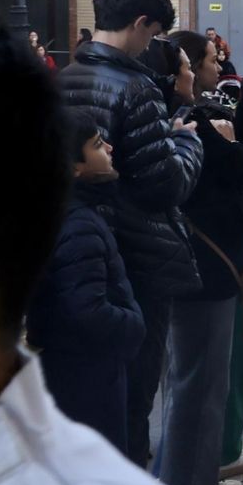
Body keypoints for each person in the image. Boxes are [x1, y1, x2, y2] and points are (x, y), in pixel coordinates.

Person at [0, 27, 243, 485]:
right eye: (192, 63)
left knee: (187, 392)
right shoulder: (171, 130)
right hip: (178, 281)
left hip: (159, 289)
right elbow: (221, 174)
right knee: (185, 390)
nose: (196, 71)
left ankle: (189, 483)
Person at [57, 0, 203, 469]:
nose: (152, 46)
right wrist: (190, 142)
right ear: (141, 23)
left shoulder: (65, 77)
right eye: (154, 34)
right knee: (133, 403)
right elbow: (166, 183)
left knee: (89, 404)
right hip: (136, 260)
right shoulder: (135, 88)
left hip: (84, 253)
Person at [151, 31, 243, 485]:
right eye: (196, 61)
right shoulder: (188, 123)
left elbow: (239, 147)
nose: (202, 67)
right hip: (201, 270)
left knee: (205, 386)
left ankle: (198, 479)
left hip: (211, 266)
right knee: (195, 387)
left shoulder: (200, 115)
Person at [25, 108, 145, 456]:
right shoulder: (78, 223)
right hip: (86, 377)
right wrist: (134, 325)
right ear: (74, 165)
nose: (109, 147)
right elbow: (87, 310)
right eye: (96, 144)